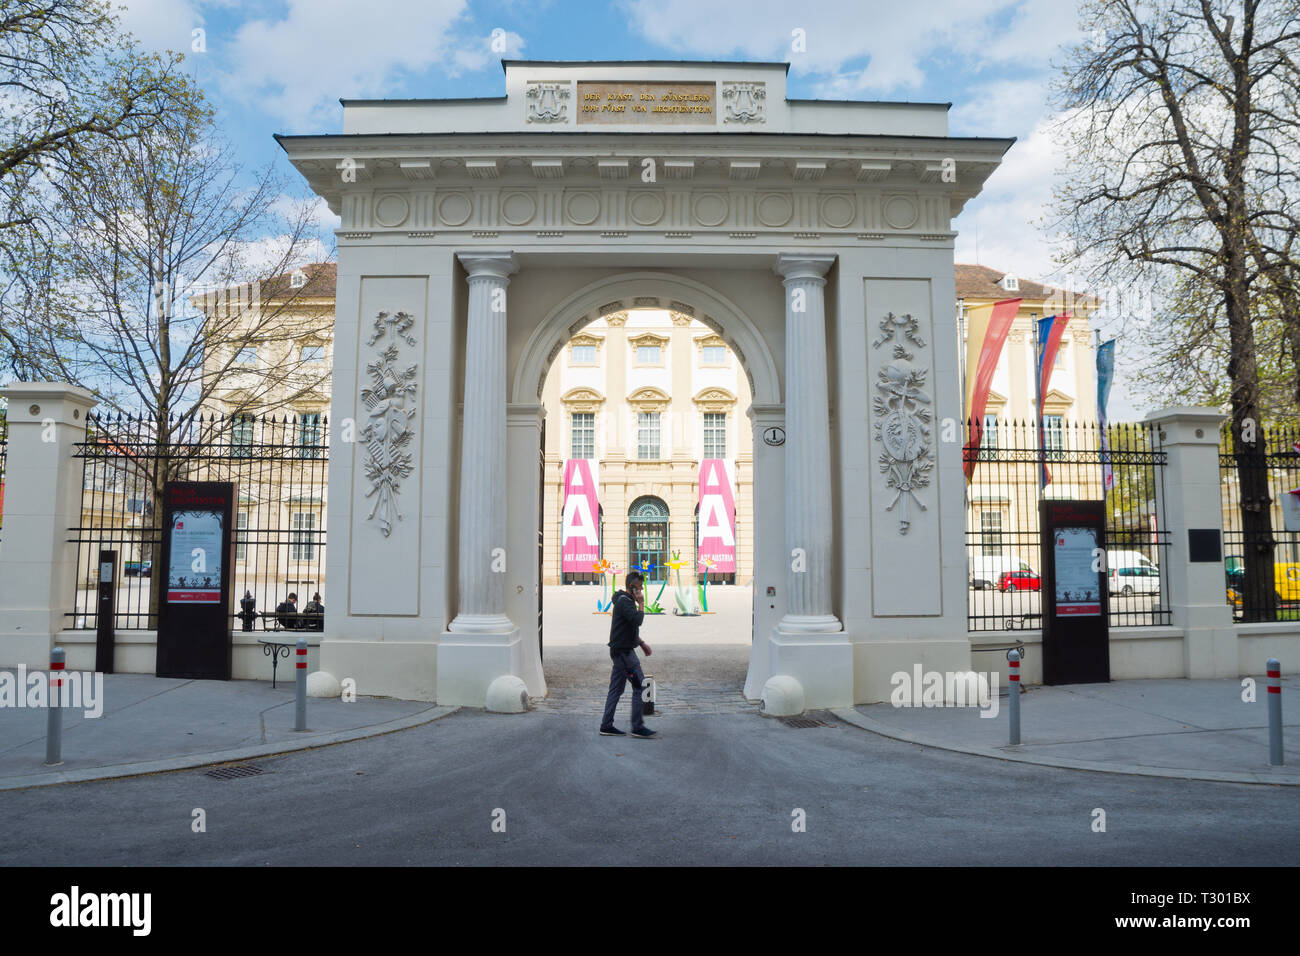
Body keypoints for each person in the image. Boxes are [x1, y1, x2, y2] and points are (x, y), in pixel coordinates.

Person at [599, 569, 657, 739]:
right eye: (639, 587)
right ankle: (637, 727)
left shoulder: (624, 601)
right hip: (623, 654)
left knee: (616, 689)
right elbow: (637, 620)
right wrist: (641, 603)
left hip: (621, 651)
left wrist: (641, 643)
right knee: (640, 685)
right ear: (632, 588)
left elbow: (628, 628)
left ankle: (606, 725)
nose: (641, 590)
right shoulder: (626, 602)